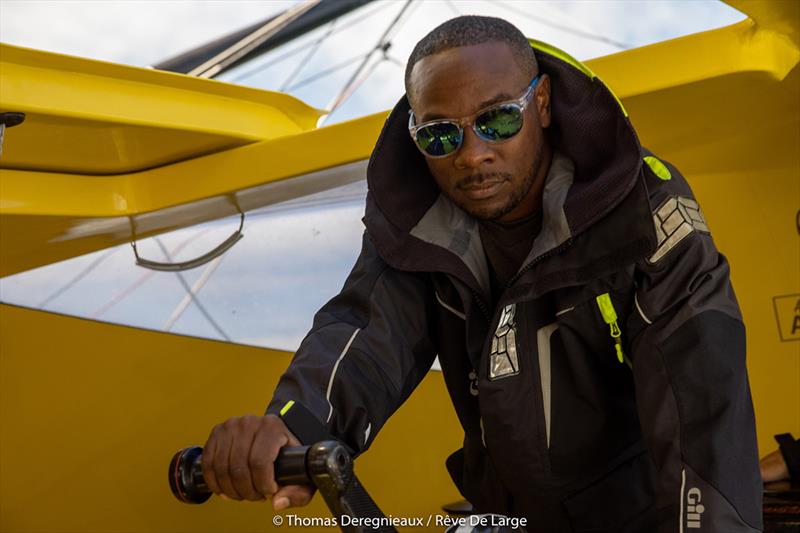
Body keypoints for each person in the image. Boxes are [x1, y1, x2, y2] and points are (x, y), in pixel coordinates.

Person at [201, 16, 763, 532]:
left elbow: (702, 408)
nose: (471, 154)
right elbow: (364, 334)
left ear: (541, 103)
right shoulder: (415, 224)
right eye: (440, 135)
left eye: (497, 120)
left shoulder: (643, 208)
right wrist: (294, 430)